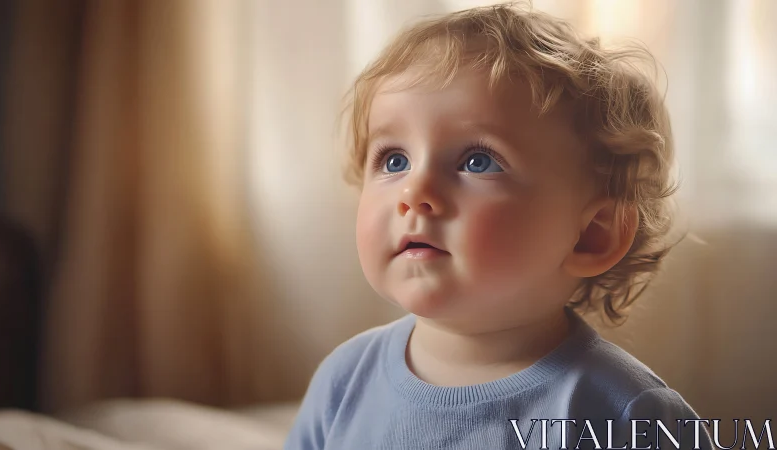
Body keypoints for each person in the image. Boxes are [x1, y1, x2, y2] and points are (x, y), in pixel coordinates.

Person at [286, 2, 713, 449]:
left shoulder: (623, 412)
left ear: (592, 234)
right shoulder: (344, 382)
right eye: (395, 159)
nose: (414, 193)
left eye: (478, 160)